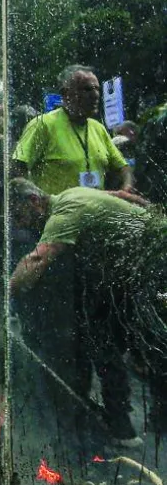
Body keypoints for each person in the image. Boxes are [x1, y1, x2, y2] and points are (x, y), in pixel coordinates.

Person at [10, 178, 162, 446]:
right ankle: (148, 419)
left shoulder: (64, 216)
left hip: (154, 261)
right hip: (153, 247)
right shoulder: (71, 192)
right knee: (128, 336)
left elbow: (38, 258)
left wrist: (4, 293)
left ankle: (123, 428)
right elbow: (124, 196)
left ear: (34, 201)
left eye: (18, 215)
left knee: (109, 340)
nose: (19, 224)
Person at [12, 65, 135, 198]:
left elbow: (123, 167)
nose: (95, 95)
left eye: (97, 89)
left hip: (96, 212)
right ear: (66, 94)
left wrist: (126, 188)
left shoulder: (98, 129)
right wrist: (38, 202)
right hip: (57, 215)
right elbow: (17, 169)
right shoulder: (42, 125)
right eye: (87, 89)